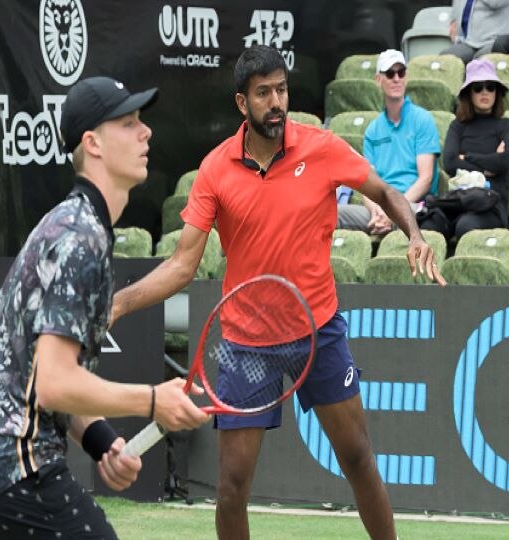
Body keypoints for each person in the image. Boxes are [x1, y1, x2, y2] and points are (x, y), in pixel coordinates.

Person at [111, 45, 447, 540]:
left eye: (282, 90)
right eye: (263, 93)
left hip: (319, 332)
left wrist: (414, 235)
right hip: (249, 344)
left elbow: (386, 193)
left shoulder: (323, 148)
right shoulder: (215, 170)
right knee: (231, 485)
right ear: (242, 104)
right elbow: (183, 265)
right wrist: (120, 302)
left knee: (357, 458)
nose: (276, 101)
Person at [0, 76, 210, 539]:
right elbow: (54, 384)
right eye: (128, 124)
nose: (145, 133)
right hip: (13, 457)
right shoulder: (80, 237)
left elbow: (34, 376)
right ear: (93, 144)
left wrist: (101, 441)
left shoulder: (71, 225)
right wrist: (153, 399)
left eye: (141, 122)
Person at [337, 49, 443, 236]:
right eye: (390, 73)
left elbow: (425, 179)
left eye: (401, 72)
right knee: (329, 213)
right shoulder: (373, 129)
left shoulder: (422, 119)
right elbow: (366, 182)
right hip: (380, 207)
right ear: (378, 80)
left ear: (406, 77)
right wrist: (376, 210)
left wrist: (393, 210)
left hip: (413, 204)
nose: (396, 78)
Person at [422, 58, 509, 242]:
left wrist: (468, 157)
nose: (485, 92)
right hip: (459, 199)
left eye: (490, 86)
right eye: (478, 87)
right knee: (428, 226)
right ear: (468, 93)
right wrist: (489, 164)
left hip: (490, 204)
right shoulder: (458, 126)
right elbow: (450, 163)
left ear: (497, 92)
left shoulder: (507, 126)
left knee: (465, 225)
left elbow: (504, 162)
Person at [442, 0, 509, 63]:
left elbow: (495, 2)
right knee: (445, 60)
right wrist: (454, 17)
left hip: (496, 40)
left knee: (480, 63)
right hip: (470, 40)